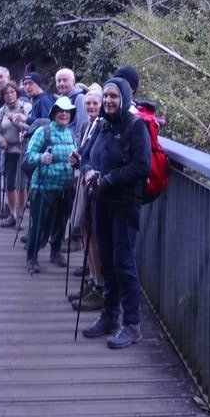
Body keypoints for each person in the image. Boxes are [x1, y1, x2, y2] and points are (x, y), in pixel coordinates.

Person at [80, 76, 150, 349]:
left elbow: (141, 166)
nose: (108, 101)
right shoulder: (102, 126)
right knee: (107, 260)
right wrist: (87, 172)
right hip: (102, 202)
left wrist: (107, 179)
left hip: (124, 204)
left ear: (124, 99)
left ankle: (132, 324)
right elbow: (86, 154)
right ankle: (109, 315)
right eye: (106, 96)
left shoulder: (135, 126)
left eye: (114, 97)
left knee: (123, 261)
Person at [23, 95, 76, 274]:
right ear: (53, 113)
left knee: (61, 222)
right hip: (44, 186)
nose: (64, 114)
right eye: (60, 111)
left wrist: (75, 160)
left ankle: (55, 251)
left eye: (67, 112)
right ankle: (32, 256)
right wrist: (41, 157)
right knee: (39, 223)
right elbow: (29, 155)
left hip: (65, 187)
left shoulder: (70, 134)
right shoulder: (43, 132)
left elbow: (74, 155)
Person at [68, 84, 104, 311]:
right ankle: (93, 279)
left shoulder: (101, 126)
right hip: (83, 180)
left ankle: (98, 284)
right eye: (88, 103)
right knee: (83, 229)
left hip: (93, 183)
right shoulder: (86, 125)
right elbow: (85, 151)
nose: (91, 107)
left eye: (95, 103)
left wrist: (82, 161)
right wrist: (77, 158)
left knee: (92, 232)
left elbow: (92, 154)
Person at [0, 79, 31, 226]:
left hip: (23, 149)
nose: (10, 95)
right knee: (10, 183)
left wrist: (16, 121)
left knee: (22, 183)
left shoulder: (26, 107)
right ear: (3, 96)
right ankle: (13, 214)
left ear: (16, 93)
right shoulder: (1, 111)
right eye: (6, 93)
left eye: (12, 92)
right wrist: (2, 141)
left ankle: (21, 214)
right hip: (9, 149)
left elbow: (30, 126)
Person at [55, 67, 88, 139]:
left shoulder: (80, 98)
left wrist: (77, 146)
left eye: (65, 80)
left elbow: (82, 126)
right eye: (59, 81)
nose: (61, 83)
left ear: (73, 81)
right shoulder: (59, 100)